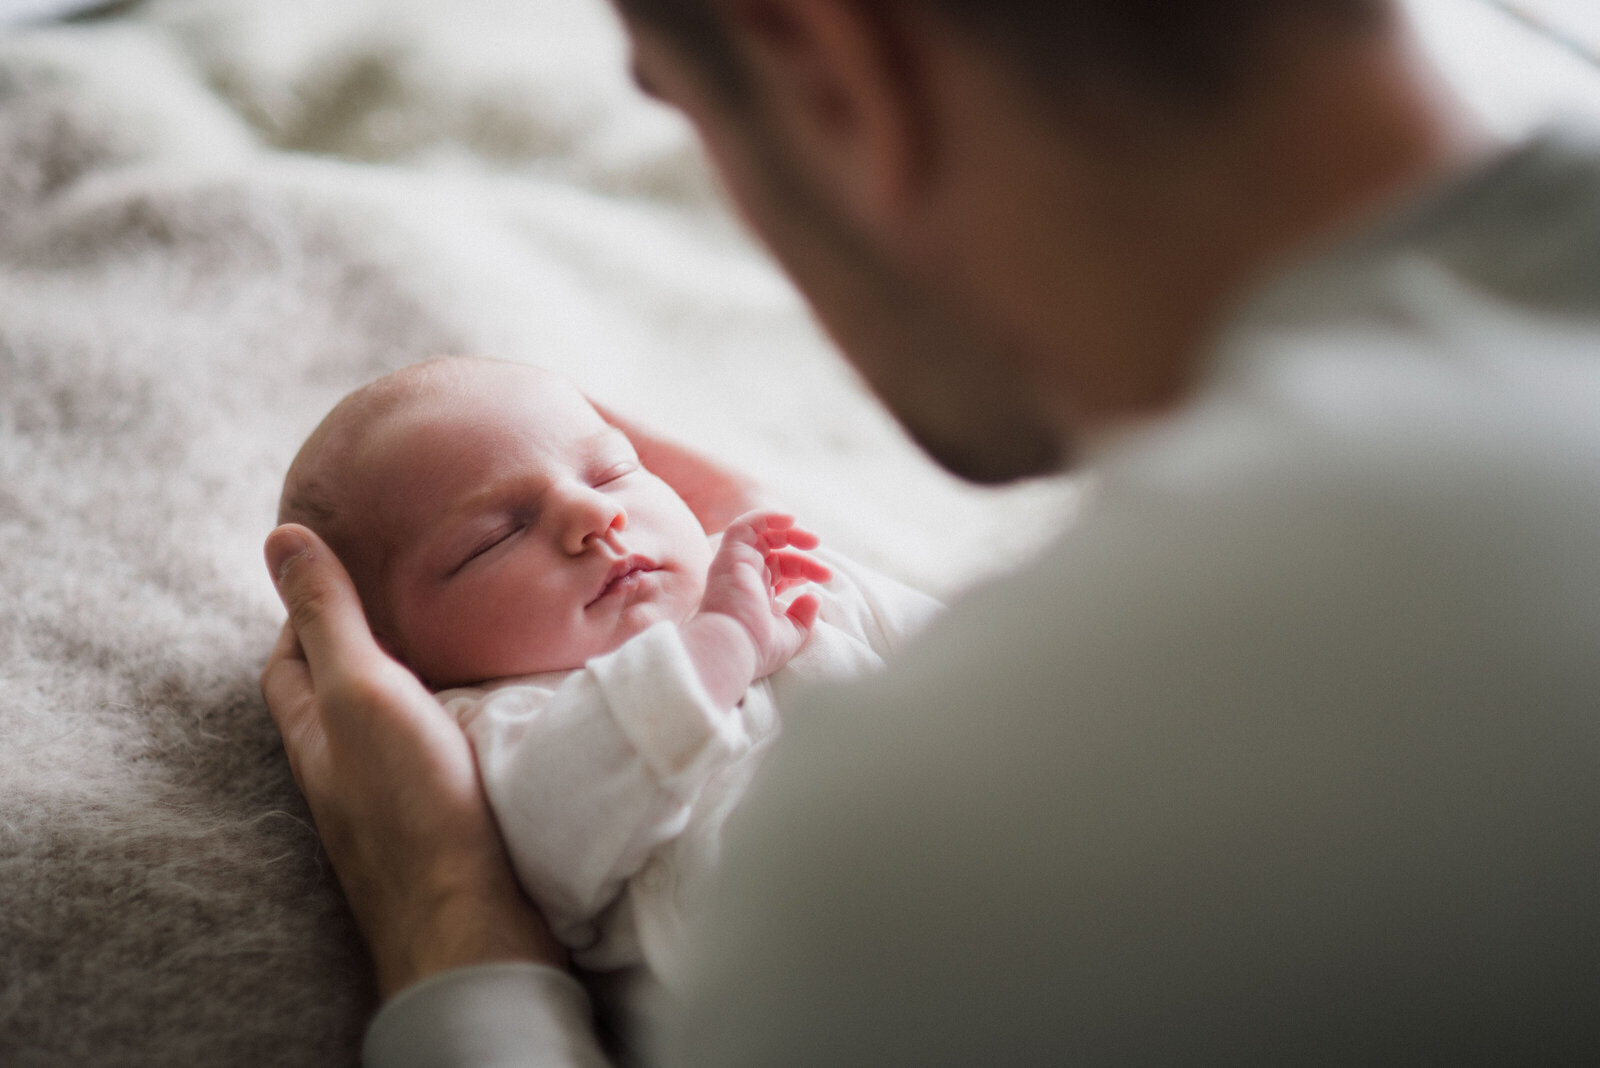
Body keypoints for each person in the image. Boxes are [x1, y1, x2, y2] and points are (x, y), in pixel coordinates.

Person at [261, 0, 1600, 1063]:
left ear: (823, 53)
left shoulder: (923, 865)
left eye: (683, 113)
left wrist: (446, 917)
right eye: (492, 539)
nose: (595, 516)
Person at [274, 356, 940, 1049]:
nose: (593, 514)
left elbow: (973, 670)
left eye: (612, 473)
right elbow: (549, 828)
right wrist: (723, 642)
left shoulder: (778, 576)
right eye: (493, 538)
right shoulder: (494, 720)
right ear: (395, 654)